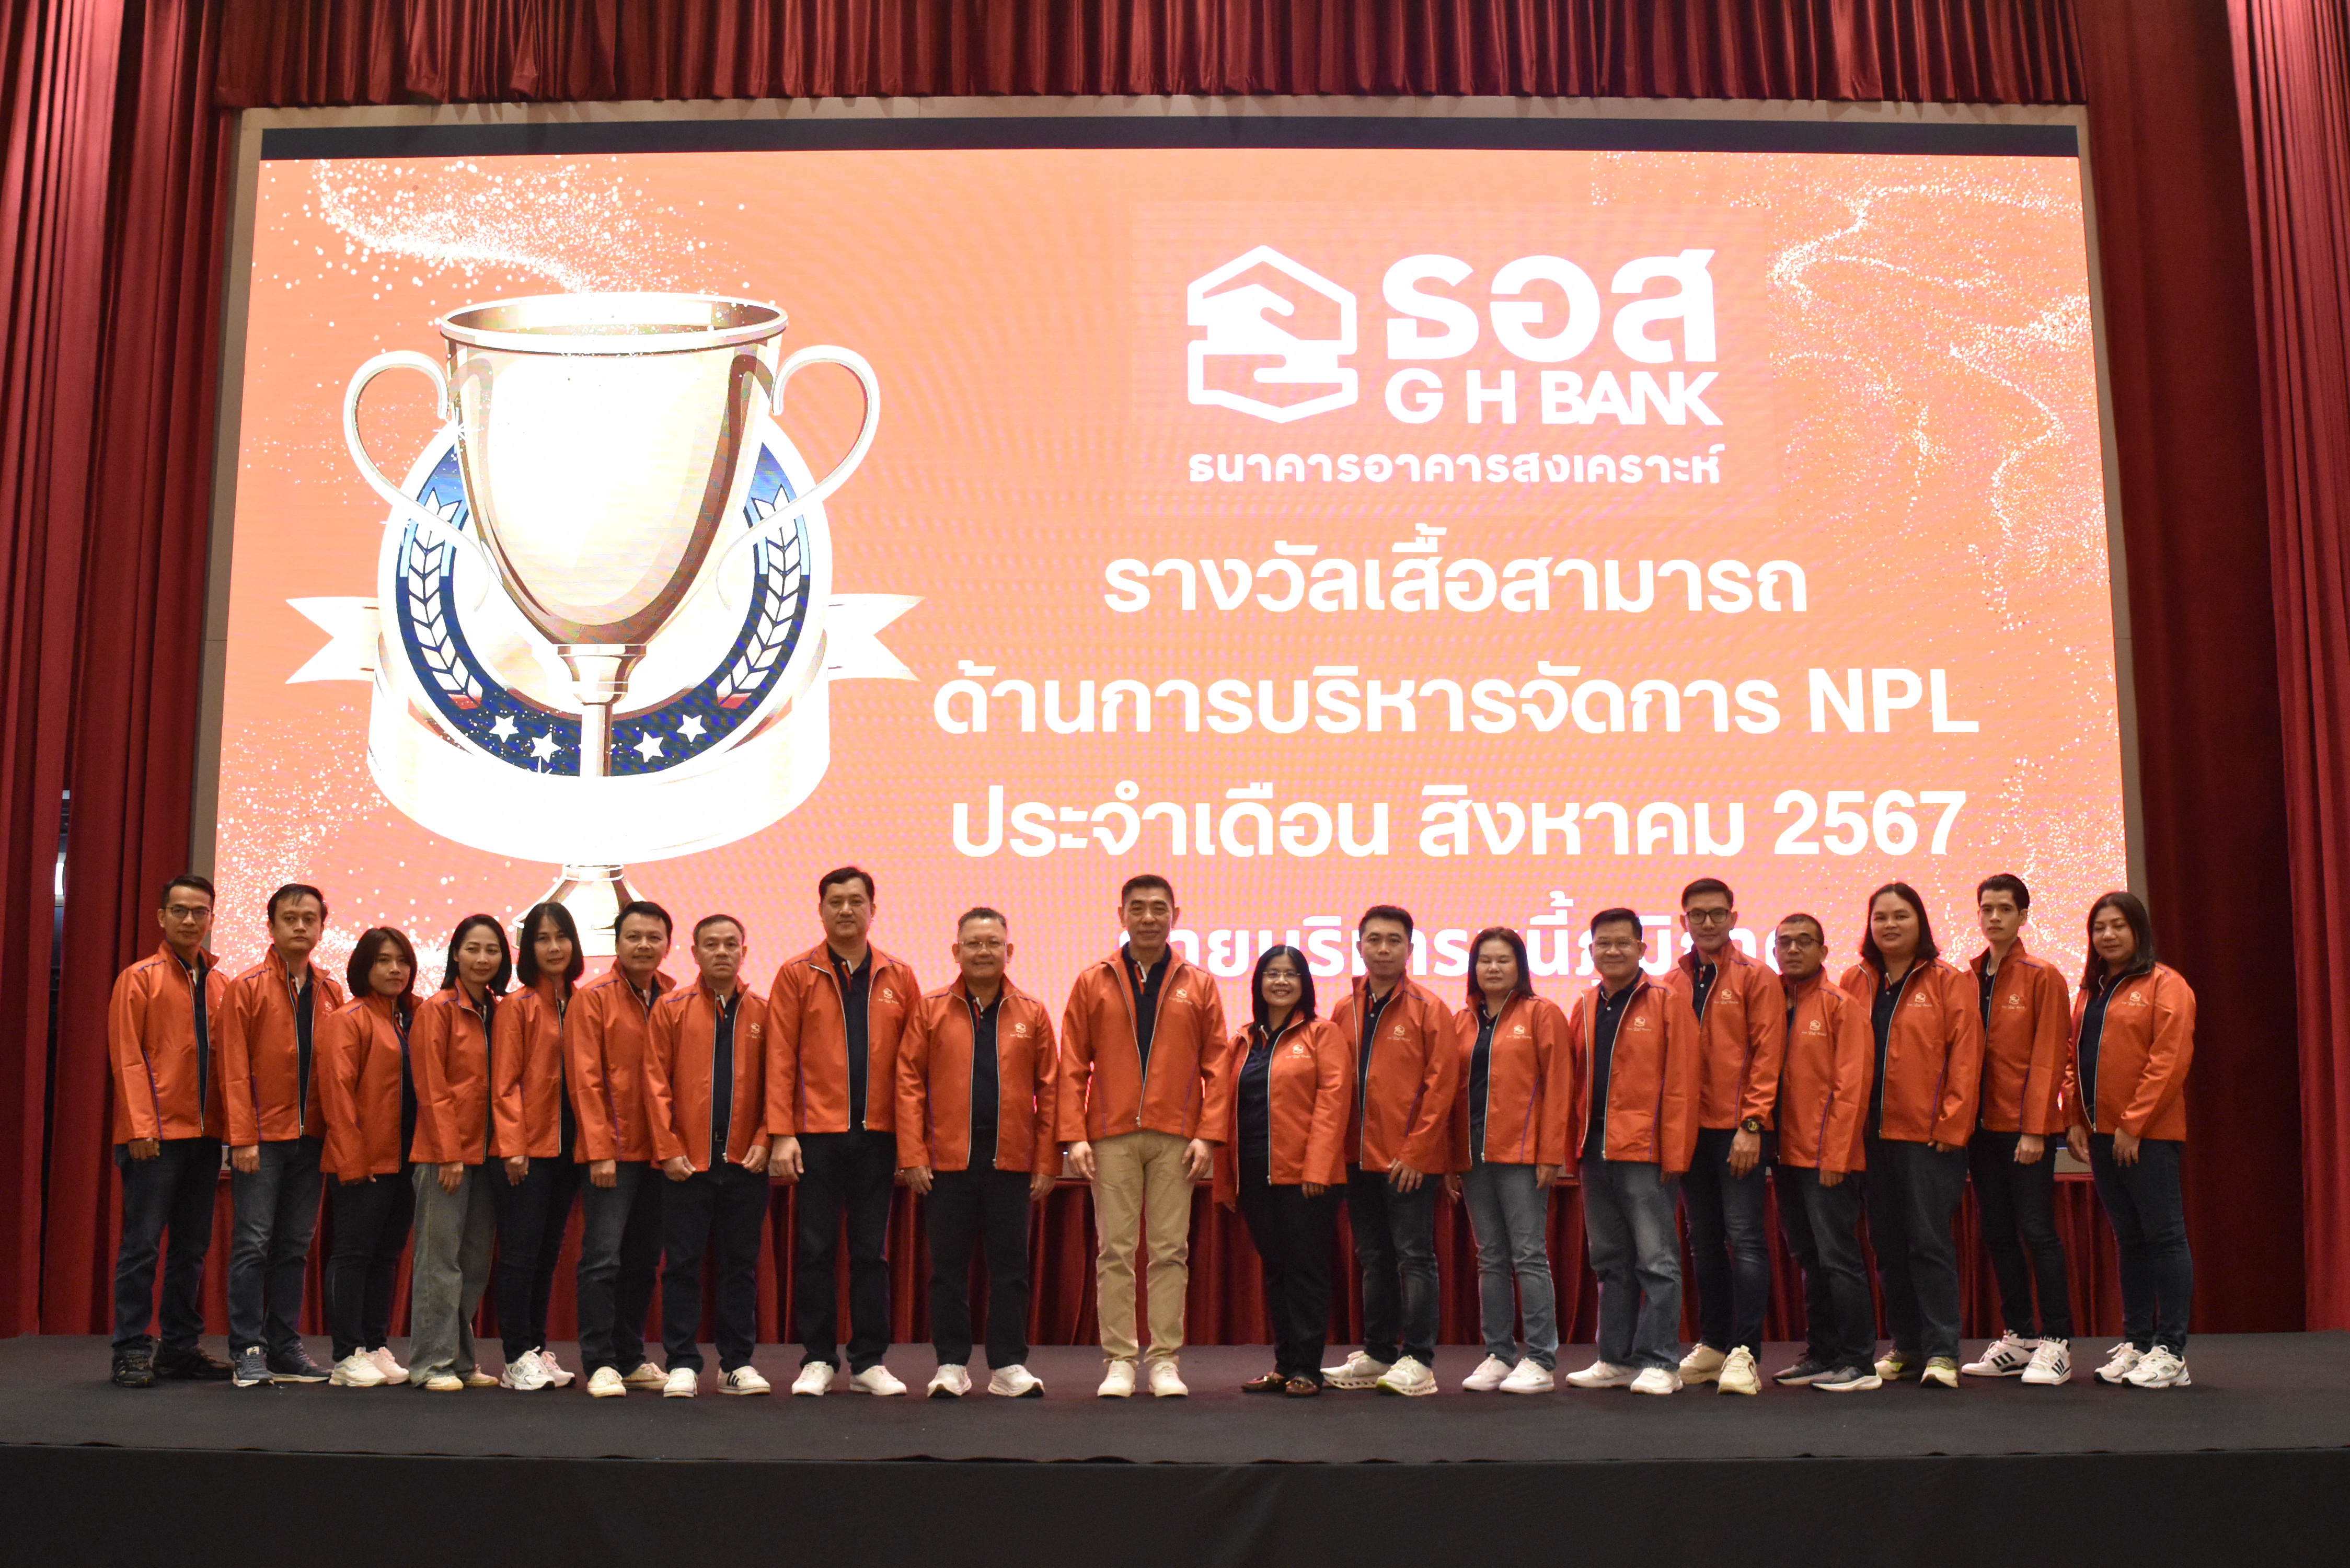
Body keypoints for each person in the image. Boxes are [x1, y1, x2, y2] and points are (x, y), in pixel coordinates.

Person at [1058, 874, 1232, 1399]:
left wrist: (1208, 1135)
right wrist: (1074, 1135)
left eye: (1159, 908)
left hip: (1176, 1137)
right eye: (1138, 908)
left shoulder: (1199, 984)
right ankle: (1118, 1360)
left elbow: (1218, 1065)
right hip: (1110, 1135)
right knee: (1114, 1251)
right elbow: (1072, 1064)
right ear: (1122, 916)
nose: (1149, 917)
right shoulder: (1093, 981)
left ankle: (1163, 1360)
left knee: (1169, 1251)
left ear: (1175, 915)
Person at [767, 866, 923, 1397]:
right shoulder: (796, 974)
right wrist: (782, 1132)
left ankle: (868, 1362)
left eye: (857, 901)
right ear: (821, 910)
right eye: (835, 901)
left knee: (869, 1253)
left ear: (873, 910)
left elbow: (912, 1067)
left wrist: (909, 1140)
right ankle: (817, 1358)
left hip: (878, 1137)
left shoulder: (899, 976)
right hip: (815, 1135)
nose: (846, 910)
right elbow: (780, 1056)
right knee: (815, 1250)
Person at [897, 907, 1059, 1399]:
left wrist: (1047, 1161)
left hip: (1011, 1162)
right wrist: (913, 1154)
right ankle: (951, 1364)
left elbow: (1051, 1091)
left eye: (992, 943)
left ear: (1009, 951)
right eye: (973, 943)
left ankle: (1008, 1366)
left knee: (1011, 1271)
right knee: (947, 1271)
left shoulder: (1032, 1012)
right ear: (956, 951)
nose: (983, 951)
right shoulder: (930, 1010)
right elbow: (908, 1084)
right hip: (947, 1164)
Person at [1838, 882, 1985, 1390]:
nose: (1889, 925)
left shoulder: (1948, 981)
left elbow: (1966, 1057)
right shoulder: (1854, 981)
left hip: (1928, 1139)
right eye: (1880, 917)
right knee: (1887, 1245)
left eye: (1900, 916)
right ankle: (1906, 1346)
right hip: (1869, 1139)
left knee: (1928, 1244)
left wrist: (1953, 1124)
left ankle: (1942, 1352)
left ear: (1919, 921)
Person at [1322, 906, 1458, 1398]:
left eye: (1394, 940)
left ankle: (1418, 1360)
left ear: (1409, 949)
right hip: (1356, 1159)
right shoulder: (1343, 1009)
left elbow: (1442, 1086)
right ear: (1359, 946)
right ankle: (1378, 1352)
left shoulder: (1429, 1008)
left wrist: (1418, 1151)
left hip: (1408, 1163)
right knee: (1373, 1258)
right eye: (1374, 939)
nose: (1383, 949)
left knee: (1414, 1258)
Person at [1564, 907, 1700, 1396]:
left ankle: (1662, 1361)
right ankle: (1615, 1359)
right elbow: (1573, 1085)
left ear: (1642, 949)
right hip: (1594, 1152)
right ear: (1591, 950)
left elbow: (1683, 1083)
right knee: (1609, 1261)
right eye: (1604, 943)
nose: (1613, 951)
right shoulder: (1583, 1005)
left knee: (1657, 1262)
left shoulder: (1666, 1002)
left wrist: (1675, 1154)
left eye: (1623, 943)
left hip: (1646, 1152)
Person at [106, 873, 234, 1387]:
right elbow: (127, 1059)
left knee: (191, 1248)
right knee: (141, 1247)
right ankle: (130, 1348)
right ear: (162, 917)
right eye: (179, 910)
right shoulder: (139, 978)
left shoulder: (222, 985)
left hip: (205, 1138)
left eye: (200, 911)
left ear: (211, 918)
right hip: (154, 1136)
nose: (189, 920)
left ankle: (180, 1348)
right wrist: (141, 1126)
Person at [2065, 891, 2196, 1390]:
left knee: (2165, 1238)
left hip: (2148, 1137)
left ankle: (2171, 1352)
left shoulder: (2167, 985)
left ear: (2138, 930)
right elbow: (2073, 1060)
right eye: (2099, 927)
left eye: (2118, 925)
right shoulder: (2090, 993)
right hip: (2101, 1136)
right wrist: (2074, 1119)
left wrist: (2133, 1124)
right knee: (2131, 1240)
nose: (2108, 935)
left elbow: (2169, 1061)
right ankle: (2138, 1343)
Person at [216, 883, 345, 1387]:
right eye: (290, 918)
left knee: (295, 1245)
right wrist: (242, 1138)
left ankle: (285, 1346)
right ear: (271, 926)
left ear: (321, 928)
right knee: (252, 1243)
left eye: (310, 918)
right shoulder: (246, 987)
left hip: (312, 1140)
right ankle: (248, 1348)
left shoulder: (332, 991)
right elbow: (232, 1069)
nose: (300, 926)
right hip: (262, 1139)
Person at [1664, 879, 1785, 1398]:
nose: (1708, 922)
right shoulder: (1670, 982)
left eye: (1717, 913)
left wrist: (1752, 1125)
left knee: (1746, 1239)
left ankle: (1744, 1351)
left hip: (1739, 1133)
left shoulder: (1756, 977)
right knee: (1702, 1241)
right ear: (1684, 921)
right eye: (1698, 914)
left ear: (1734, 918)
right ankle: (1714, 1343)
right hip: (1689, 1136)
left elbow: (1767, 1056)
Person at [1214, 944, 1350, 1398]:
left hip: (1306, 1176)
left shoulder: (1322, 1034)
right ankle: (1284, 1364)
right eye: (1272, 973)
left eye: (1291, 974)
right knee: (1276, 1269)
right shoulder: (1243, 1040)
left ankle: (1308, 1367)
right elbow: (1225, 1110)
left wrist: (1318, 1168)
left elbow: (1333, 1104)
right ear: (1258, 983)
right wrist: (1227, 1178)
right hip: (1254, 1173)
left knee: (1305, 1270)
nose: (1281, 982)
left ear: (1304, 983)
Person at [646, 914, 773, 1398]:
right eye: (711, 945)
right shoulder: (670, 1008)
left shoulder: (765, 1011)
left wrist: (765, 1138)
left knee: (739, 1266)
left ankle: (737, 1364)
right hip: (686, 1163)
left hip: (746, 1161)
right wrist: (668, 1147)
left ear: (744, 951)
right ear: (694, 953)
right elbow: (654, 1083)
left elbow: (779, 1083)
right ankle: (682, 1362)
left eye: (730, 944)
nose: (722, 952)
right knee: (682, 1265)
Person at [1960, 874, 2077, 1385]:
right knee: (1997, 1231)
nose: (1993, 917)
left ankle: (2057, 1341)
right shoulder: (1965, 977)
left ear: (2023, 916)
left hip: (2025, 1131)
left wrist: (2035, 1129)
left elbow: (2050, 1056)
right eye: (1986, 908)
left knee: (2037, 1230)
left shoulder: (2041, 976)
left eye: (2004, 909)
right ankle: (2019, 1336)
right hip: (1978, 1130)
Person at [1447, 928, 1573, 1396]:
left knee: (1528, 1255)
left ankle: (1540, 1358)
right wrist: (1450, 1158)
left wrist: (1551, 1154)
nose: (1493, 968)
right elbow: (1450, 1094)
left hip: (1522, 1154)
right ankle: (1498, 1354)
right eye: (1485, 960)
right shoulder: (1462, 1021)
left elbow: (1559, 1085)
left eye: (1503, 960)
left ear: (1519, 965)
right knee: (1491, 1258)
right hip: (1473, 1156)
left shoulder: (1542, 1014)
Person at [568, 900, 678, 1398]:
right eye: (634, 936)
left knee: (643, 1260)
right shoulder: (593, 999)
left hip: (662, 1153)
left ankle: (631, 1356)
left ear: (668, 945)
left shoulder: (676, 997)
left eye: (654, 937)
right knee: (602, 1260)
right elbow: (585, 1080)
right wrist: (600, 1150)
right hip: (612, 1152)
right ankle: (599, 1362)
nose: (644, 945)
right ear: (617, 943)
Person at [1768, 914, 1880, 1392]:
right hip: (1784, 1156)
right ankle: (1822, 1353)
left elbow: (1851, 1089)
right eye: (1785, 942)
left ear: (1823, 951)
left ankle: (1859, 1361)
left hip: (1826, 1159)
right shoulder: (1770, 1002)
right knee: (1809, 1258)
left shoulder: (1841, 1006)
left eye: (1804, 941)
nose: (1793, 950)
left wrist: (1836, 1156)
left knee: (1839, 1259)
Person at [405, 914, 509, 1392]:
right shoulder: (438, 1009)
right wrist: (449, 1153)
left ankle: (462, 1361)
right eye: (473, 948)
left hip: (489, 1157)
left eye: (492, 950)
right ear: (455, 954)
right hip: (444, 1157)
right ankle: (431, 1364)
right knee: (439, 1263)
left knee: (474, 1263)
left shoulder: (500, 1011)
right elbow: (432, 1088)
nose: (483, 958)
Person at [318, 926, 423, 1388]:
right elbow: (337, 1094)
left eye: (402, 961)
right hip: (364, 1163)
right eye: (383, 960)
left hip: (406, 1162)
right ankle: (346, 1354)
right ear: (364, 966)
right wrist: (353, 1161)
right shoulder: (349, 1019)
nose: (395, 969)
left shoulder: (409, 1019)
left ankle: (375, 1344)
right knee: (353, 1255)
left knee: (387, 1256)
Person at [487, 901, 585, 1390]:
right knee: (520, 1255)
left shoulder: (584, 1003)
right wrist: (513, 1146)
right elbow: (504, 1084)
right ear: (528, 949)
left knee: (547, 1255)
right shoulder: (517, 1006)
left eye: (561, 936)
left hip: (571, 1152)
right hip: (526, 1151)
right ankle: (514, 1356)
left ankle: (537, 1347)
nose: (553, 947)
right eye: (542, 938)